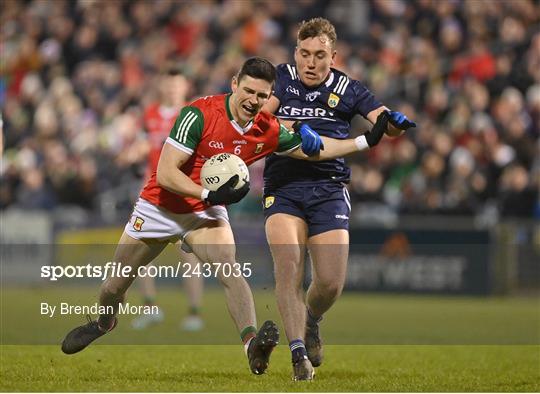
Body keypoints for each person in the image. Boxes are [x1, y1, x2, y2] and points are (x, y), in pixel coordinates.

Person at [60, 57, 390, 376]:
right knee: (113, 288)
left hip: (205, 212)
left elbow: (312, 150)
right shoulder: (199, 114)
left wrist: (363, 141)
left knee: (229, 270)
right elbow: (164, 173)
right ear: (235, 85)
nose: (254, 100)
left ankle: (251, 346)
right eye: (248, 91)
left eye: (262, 95)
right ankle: (104, 323)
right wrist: (207, 193)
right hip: (160, 206)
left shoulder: (266, 129)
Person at [261, 18, 416, 380]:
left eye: (319, 55)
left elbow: (382, 123)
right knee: (288, 269)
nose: (310, 63)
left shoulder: (350, 88)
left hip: (329, 190)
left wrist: (393, 122)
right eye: (304, 54)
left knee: (330, 283)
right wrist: (293, 128)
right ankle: (298, 354)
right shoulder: (281, 79)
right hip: (284, 186)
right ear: (295, 52)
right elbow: (259, 119)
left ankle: (312, 320)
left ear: (334, 56)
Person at [132, 66, 204, 332]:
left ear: (185, 87)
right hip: (154, 193)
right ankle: (150, 307)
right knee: (139, 251)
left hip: (183, 192)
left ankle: (194, 312)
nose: (173, 89)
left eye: (178, 84)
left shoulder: (192, 114)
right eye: (169, 84)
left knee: (188, 254)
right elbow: (142, 146)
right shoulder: (148, 114)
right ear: (162, 85)